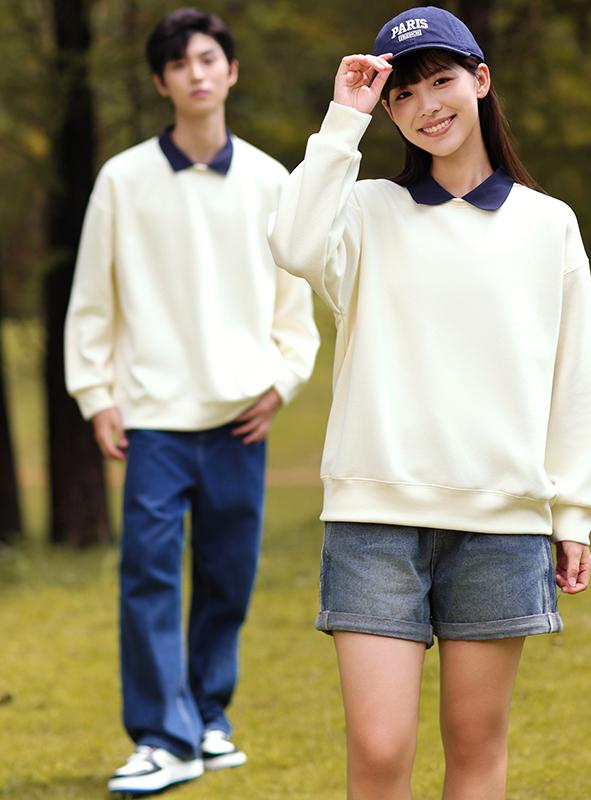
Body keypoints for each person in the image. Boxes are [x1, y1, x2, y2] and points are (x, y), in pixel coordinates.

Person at [269, 6, 591, 799]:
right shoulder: (365, 212)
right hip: (373, 521)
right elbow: (291, 243)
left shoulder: (548, 224)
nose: (427, 106)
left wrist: (573, 515)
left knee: (476, 748)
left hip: (501, 525)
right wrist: (343, 119)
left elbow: (574, 378)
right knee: (380, 751)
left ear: (481, 80)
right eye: (405, 94)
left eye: (442, 81)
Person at [64, 7, 319, 795]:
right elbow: (92, 300)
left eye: (208, 59)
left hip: (241, 418)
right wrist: (96, 395)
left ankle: (208, 717)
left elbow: (294, 306)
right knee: (148, 575)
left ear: (231, 71)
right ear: (161, 81)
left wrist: (282, 383)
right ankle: (161, 737)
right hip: (153, 419)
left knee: (227, 576)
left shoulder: (272, 180)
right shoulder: (123, 179)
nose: (196, 73)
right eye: (179, 64)